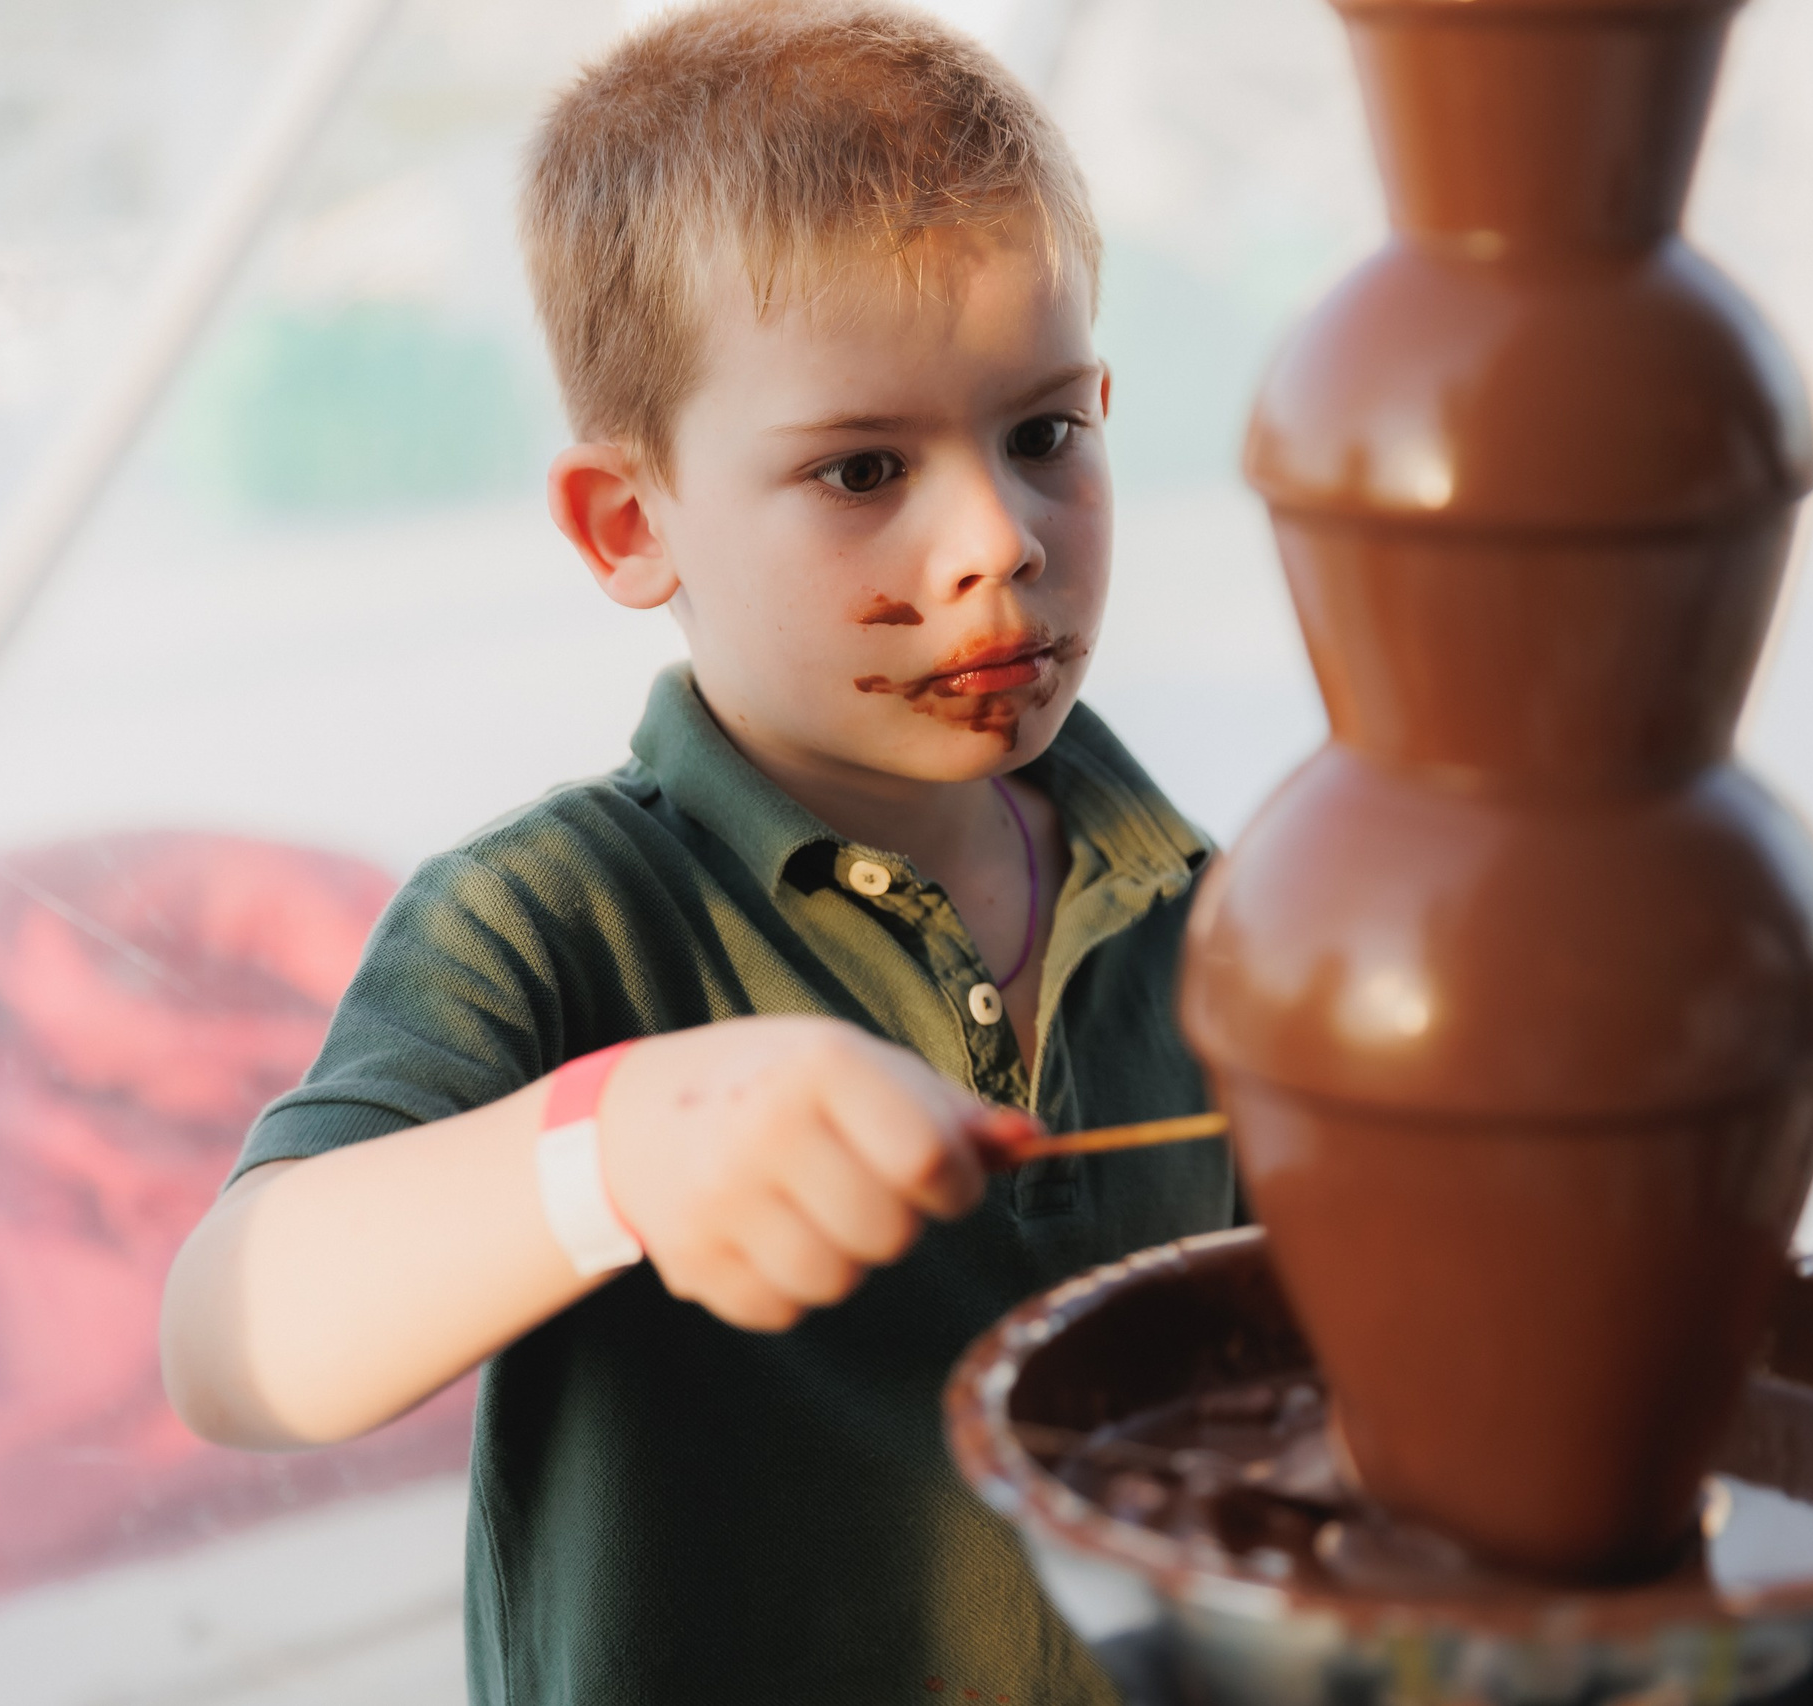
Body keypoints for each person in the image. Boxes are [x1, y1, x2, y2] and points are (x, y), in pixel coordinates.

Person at [157, 4, 1234, 1701]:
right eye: (863, 467)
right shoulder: (554, 919)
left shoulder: (1212, 914)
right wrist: (613, 1152)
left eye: (1043, 435)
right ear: (631, 524)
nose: (999, 544)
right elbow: (234, 1341)